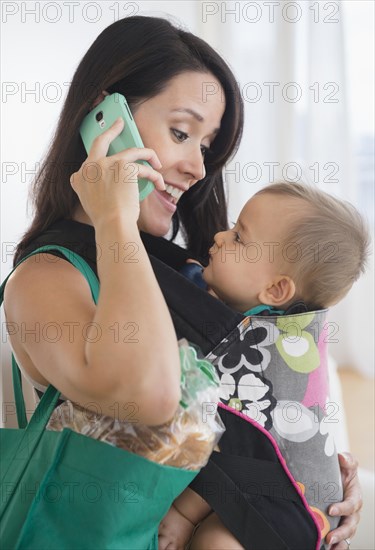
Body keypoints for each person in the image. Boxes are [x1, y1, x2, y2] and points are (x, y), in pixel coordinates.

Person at [4, 15, 362, 549]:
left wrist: (304, 483)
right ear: (107, 122)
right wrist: (113, 218)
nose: (197, 166)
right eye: (181, 132)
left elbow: (249, 407)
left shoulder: (188, 277)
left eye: (207, 145)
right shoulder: (48, 276)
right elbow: (150, 395)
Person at [158, 181, 371, 549]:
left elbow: (242, 450)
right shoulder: (266, 324)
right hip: (295, 500)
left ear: (275, 292)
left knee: (217, 544)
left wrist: (183, 514)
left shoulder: (257, 353)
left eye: (239, 237)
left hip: (292, 510)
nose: (220, 236)